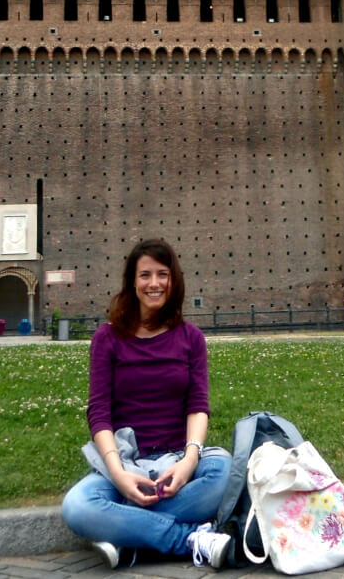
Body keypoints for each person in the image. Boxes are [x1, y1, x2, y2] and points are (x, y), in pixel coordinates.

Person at [62, 239, 234, 569]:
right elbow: (99, 412)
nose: (154, 284)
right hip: (125, 461)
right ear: (132, 282)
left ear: (174, 280)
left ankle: (127, 539)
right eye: (145, 275)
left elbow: (198, 405)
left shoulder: (191, 338)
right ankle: (190, 539)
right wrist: (117, 472)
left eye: (162, 274)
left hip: (175, 462)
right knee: (78, 506)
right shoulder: (107, 339)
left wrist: (188, 461)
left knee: (224, 472)